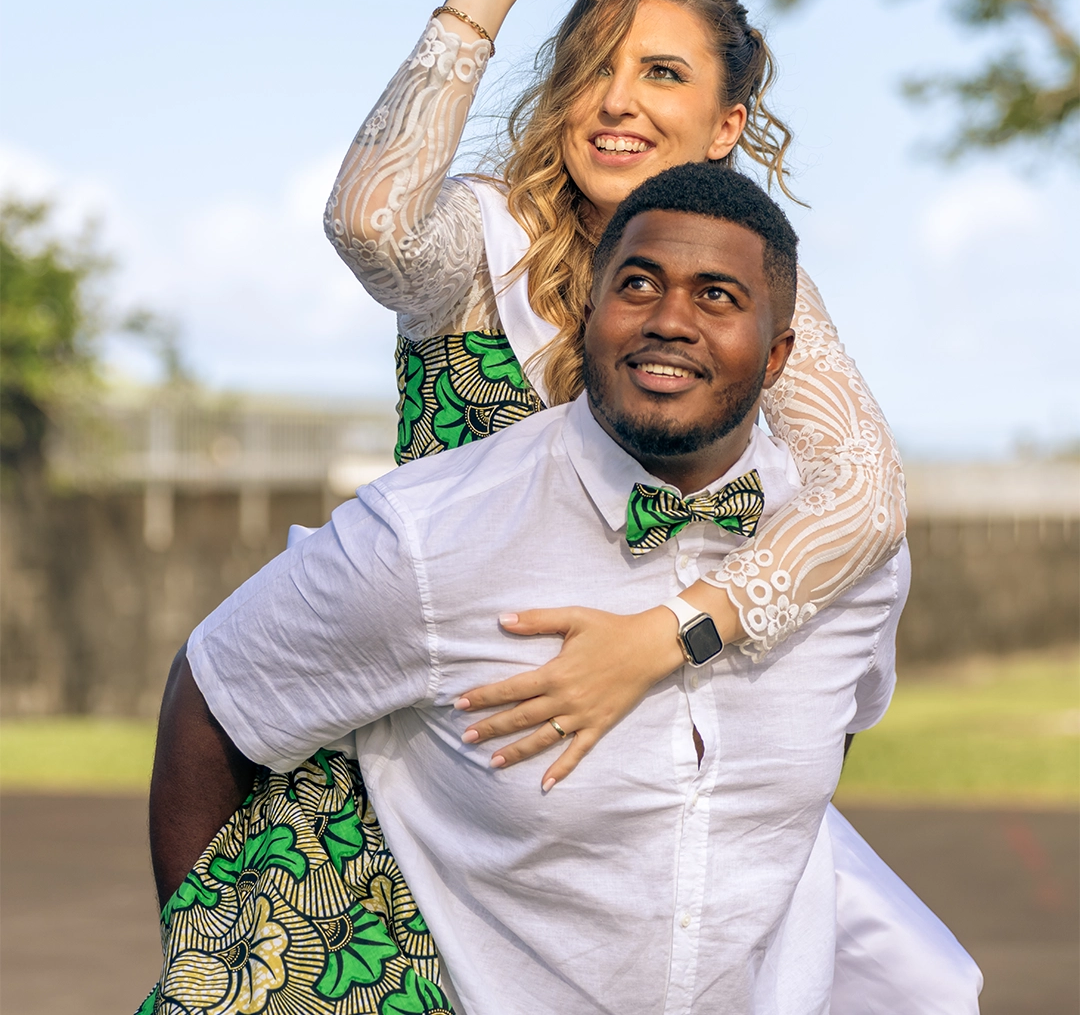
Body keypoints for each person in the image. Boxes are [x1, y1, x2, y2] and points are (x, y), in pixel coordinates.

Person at [152, 165, 913, 1014]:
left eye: (717, 297)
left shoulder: (852, 560)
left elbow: (833, 738)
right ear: (588, 317)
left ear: (777, 358)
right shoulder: (428, 535)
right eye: (637, 284)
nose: (670, 320)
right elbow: (216, 692)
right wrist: (210, 962)